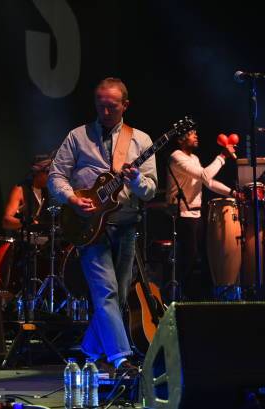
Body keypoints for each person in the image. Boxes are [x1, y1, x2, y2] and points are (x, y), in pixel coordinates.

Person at [48, 77, 157, 372]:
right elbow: (55, 176)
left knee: (119, 298)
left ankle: (88, 350)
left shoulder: (141, 140)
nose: (105, 111)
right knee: (106, 292)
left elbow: (150, 190)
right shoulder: (77, 136)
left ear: (125, 105)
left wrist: (135, 180)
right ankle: (121, 358)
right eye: (100, 104)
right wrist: (71, 199)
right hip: (88, 227)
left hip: (126, 226)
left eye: (111, 106)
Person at [166, 129, 236, 300]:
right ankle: (181, 299)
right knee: (188, 259)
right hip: (182, 214)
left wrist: (232, 192)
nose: (196, 136)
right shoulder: (176, 157)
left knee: (200, 258)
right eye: (191, 133)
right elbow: (205, 174)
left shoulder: (194, 159)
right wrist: (223, 156)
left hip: (196, 214)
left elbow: (208, 181)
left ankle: (195, 297)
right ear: (181, 139)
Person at [2, 154, 52, 231]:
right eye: (48, 172)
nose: (51, 176)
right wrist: (25, 223)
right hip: (23, 241)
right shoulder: (20, 189)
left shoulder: (45, 191)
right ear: (37, 172)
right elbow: (6, 221)